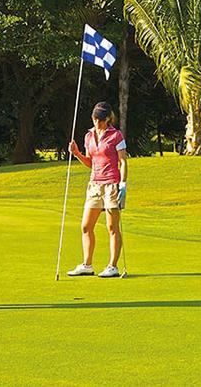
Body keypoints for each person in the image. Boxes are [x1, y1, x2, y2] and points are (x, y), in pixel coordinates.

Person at [67, 102, 128, 278]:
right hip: (94, 185)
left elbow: (123, 161)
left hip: (111, 185)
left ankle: (112, 266)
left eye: (100, 120)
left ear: (108, 119)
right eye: (95, 120)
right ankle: (87, 265)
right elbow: (90, 163)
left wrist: (123, 183)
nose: (97, 123)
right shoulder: (89, 136)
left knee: (112, 227)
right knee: (86, 226)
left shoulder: (116, 136)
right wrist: (77, 153)